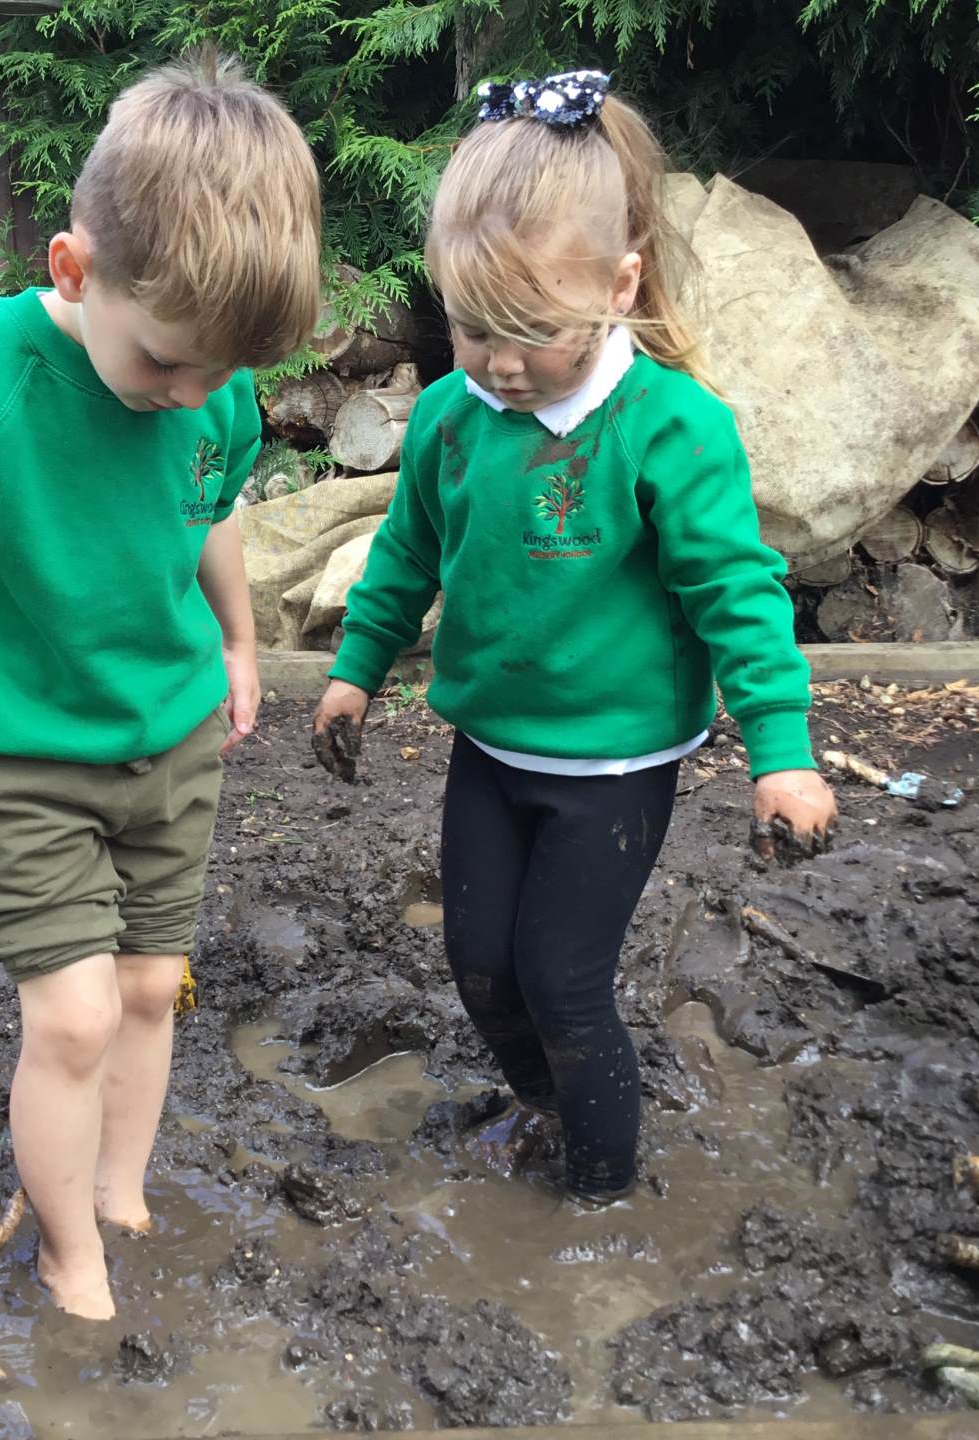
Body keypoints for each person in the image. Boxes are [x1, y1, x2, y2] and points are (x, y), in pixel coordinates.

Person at [0, 53, 321, 1320]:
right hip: (18, 754)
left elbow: (209, 506)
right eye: (165, 364)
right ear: (72, 270)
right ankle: (67, 1251)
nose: (192, 395)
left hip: (169, 739)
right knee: (80, 1016)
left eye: (218, 375)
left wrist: (239, 637)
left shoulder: (212, 385)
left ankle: (118, 1185)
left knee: (153, 985)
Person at [311, 70, 836, 1203]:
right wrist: (354, 674)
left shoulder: (671, 430)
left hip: (613, 767)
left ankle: (600, 1199)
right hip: (491, 753)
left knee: (561, 978)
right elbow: (405, 554)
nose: (500, 363)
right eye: (471, 328)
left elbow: (736, 593)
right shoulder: (454, 418)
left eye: (534, 333)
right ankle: (545, 1108)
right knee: (479, 968)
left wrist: (781, 749)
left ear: (620, 283)